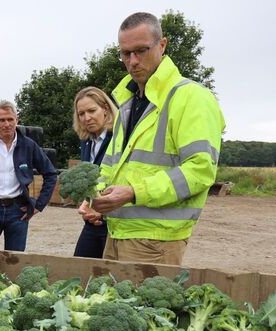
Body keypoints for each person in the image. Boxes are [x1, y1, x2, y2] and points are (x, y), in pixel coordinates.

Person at [85, 12, 225, 265]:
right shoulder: (127, 101)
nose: (133, 61)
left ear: (162, 45)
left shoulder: (192, 98)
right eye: (125, 54)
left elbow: (200, 171)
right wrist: (95, 197)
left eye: (141, 51)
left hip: (156, 240)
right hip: (116, 234)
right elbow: (111, 165)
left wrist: (133, 193)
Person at [0, 100, 57, 251]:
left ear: (17, 119)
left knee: (15, 261)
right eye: (2, 120)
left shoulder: (28, 145)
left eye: (10, 119)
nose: (7, 124)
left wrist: (39, 205)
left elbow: (50, 173)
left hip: (18, 212)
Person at [72, 87, 118, 258]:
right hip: (92, 221)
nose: (87, 118)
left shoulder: (119, 138)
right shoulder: (86, 142)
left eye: (92, 110)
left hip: (115, 222)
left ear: (105, 109)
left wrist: (101, 209)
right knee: (80, 270)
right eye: (81, 114)